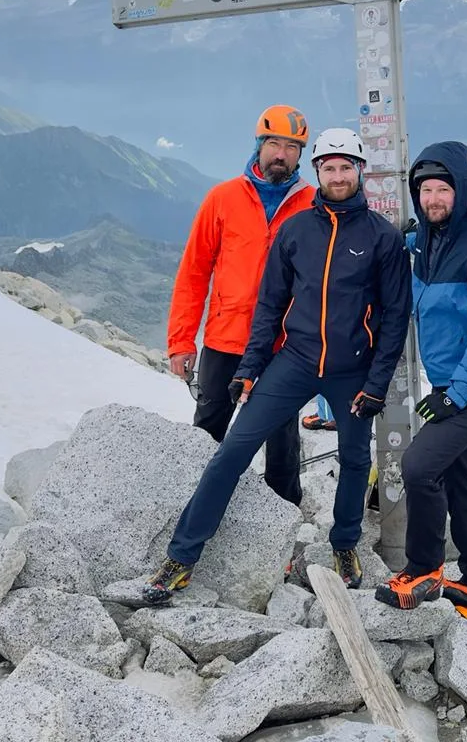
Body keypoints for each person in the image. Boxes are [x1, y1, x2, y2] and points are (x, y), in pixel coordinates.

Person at [144, 128, 411, 603]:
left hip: (352, 369)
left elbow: (394, 319)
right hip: (295, 360)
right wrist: (250, 367)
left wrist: (376, 382)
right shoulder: (295, 230)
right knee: (233, 450)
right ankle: (181, 557)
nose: (338, 176)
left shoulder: (382, 239)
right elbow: (270, 305)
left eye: (346, 167)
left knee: (354, 459)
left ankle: (344, 544)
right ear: (318, 173)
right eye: (329, 168)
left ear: (360, 172)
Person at [374, 141, 467, 626]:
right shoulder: (427, 242)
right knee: (460, 480)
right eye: (426, 190)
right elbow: (405, 254)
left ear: (463, 190)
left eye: (444, 189)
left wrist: (455, 393)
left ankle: (423, 570)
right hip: (450, 382)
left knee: (419, 467)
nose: (434, 198)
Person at [166, 105, 315, 505]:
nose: (280, 154)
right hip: (225, 340)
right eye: (272, 143)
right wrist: (181, 340)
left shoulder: (313, 206)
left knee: (282, 442)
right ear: (258, 145)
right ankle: (191, 509)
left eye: (291, 146)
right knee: (208, 433)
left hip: (284, 346)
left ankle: (282, 524)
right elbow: (194, 272)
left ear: (301, 154)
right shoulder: (223, 199)